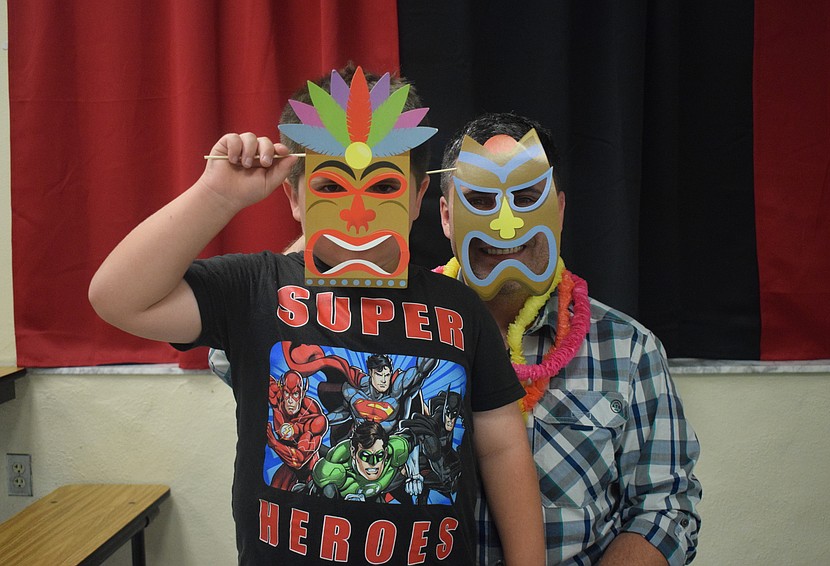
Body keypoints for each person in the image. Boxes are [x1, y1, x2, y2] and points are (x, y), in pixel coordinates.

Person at [89, 67, 545, 565]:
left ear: (418, 198)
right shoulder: (256, 288)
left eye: (384, 186)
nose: (358, 214)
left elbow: (502, 449)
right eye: (330, 186)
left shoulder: (460, 309)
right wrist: (217, 196)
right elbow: (118, 298)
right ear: (293, 196)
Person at [437, 112, 702, 565]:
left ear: (558, 211)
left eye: (526, 198)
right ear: (446, 216)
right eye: (480, 200)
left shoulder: (629, 350)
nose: (505, 225)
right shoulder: (402, 337)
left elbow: (665, 509)